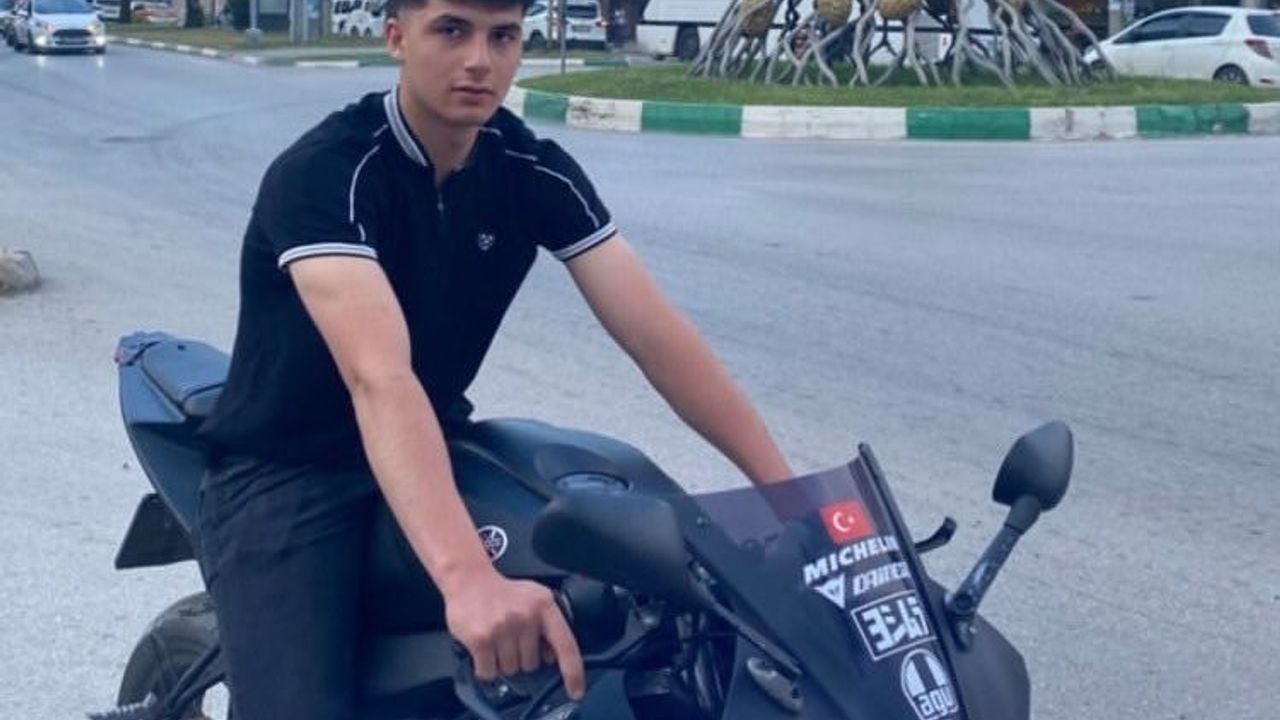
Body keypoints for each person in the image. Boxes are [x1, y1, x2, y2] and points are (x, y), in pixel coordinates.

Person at [196, 0, 793, 714]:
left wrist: (793, 501)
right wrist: (467, 579)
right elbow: (379, 376)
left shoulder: (528, 168)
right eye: (452, 30)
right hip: (289, 472)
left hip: (437, 446)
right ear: (398, 38)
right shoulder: (329, 172)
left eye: (502, 36)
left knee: (623, 608)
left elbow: (659, 339)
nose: (480, 60)